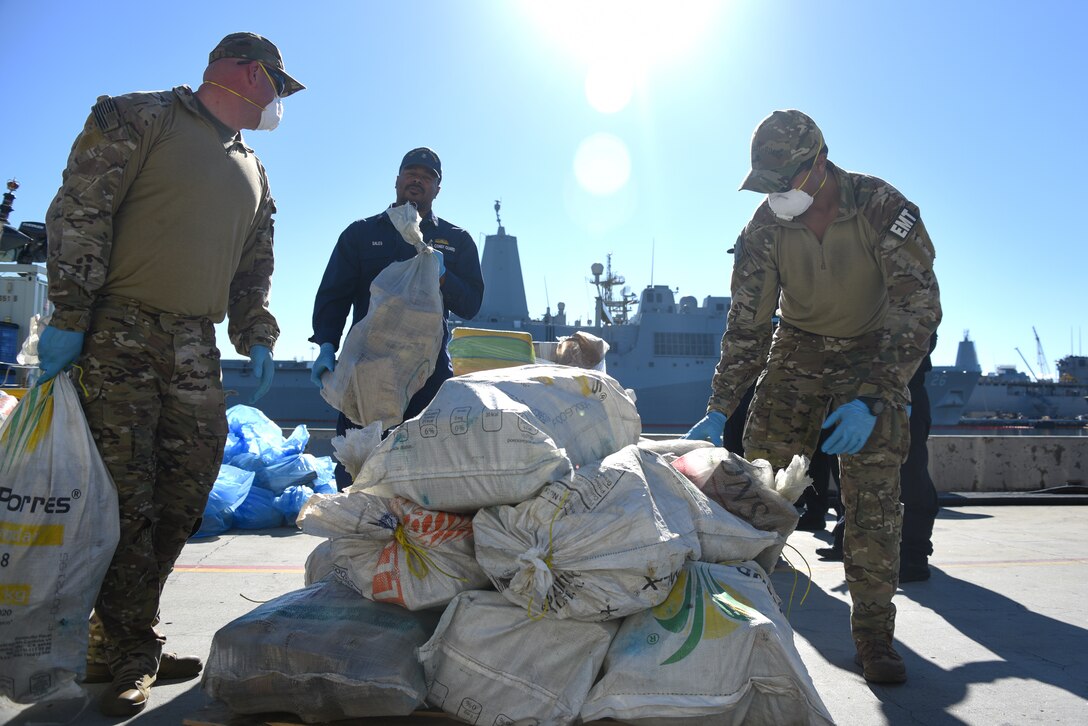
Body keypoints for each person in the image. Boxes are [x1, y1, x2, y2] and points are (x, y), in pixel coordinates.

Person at [37, 32, 303, 717]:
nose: (279, 102)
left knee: (182, 498)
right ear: (246, 72)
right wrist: (70, 311)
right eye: (277, 84)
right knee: (129, 500)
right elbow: (79, 210)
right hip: (116, 334)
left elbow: (255, 267)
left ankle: (121, 636)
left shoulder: (254, 170)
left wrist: (257, 334)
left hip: (195, 344)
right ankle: (129, 650)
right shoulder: (139, 116)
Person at [684, 110, 941, 684]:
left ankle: (875, 638)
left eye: (784, 183)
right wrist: (720, 405)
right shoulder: (764, 229)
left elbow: (919, 307)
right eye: (765, 185)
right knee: (753, 486)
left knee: (873, 500)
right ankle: (739, 619)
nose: (775, 196)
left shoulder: (882, 208)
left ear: (818, 163)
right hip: (797, 346)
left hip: (874, 348)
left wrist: (875, 397)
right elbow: (748, 324)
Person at [310, 147, 485, 489]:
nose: (417, 179)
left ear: (437, 188)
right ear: (397, 179)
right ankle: (356, 539)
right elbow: (334, 296)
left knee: (428, 469)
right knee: (356, 470)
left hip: (428, 376)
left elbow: (472, 304)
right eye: (411, 172)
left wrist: (444, 276)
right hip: (366, 373)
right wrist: (326, 345)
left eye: (427, 176)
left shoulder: (457, 241)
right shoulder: (360, 235)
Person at [818, 332, 940, 583]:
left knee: (910, 474)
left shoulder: (910, 299)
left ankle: (913, 556)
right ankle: (848, 540)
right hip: (851, 393)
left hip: (902, 393)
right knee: (847, 472)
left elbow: (922, 337)